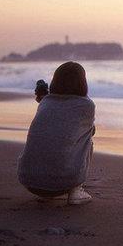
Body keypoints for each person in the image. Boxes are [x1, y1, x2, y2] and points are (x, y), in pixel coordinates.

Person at [17, 62, 95, 205]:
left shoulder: (46, 102)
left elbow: (56, 115)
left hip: (28, 180)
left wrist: (44, 97)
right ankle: (76, 190)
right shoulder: (87, 105)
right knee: (87, 138)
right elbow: (91, 130)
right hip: (62, 183)